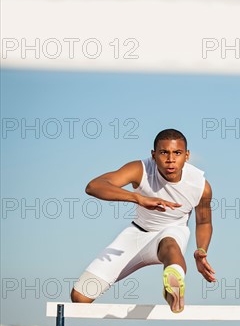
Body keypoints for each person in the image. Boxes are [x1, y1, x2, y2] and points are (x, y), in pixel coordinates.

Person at [71, 129, 215, 313]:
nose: (170, 159)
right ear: (153, 155)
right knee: (79, 297)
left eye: (177, 153)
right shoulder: (140, 169)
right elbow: (94, 186)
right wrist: (138, 198)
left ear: (186, 156)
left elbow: (203, 222)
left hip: (173, 231)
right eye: (164, 153)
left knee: (170, 243)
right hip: (137, 234)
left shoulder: (200, 186)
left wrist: (201, 250)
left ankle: (173, 290)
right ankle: (172, 287)